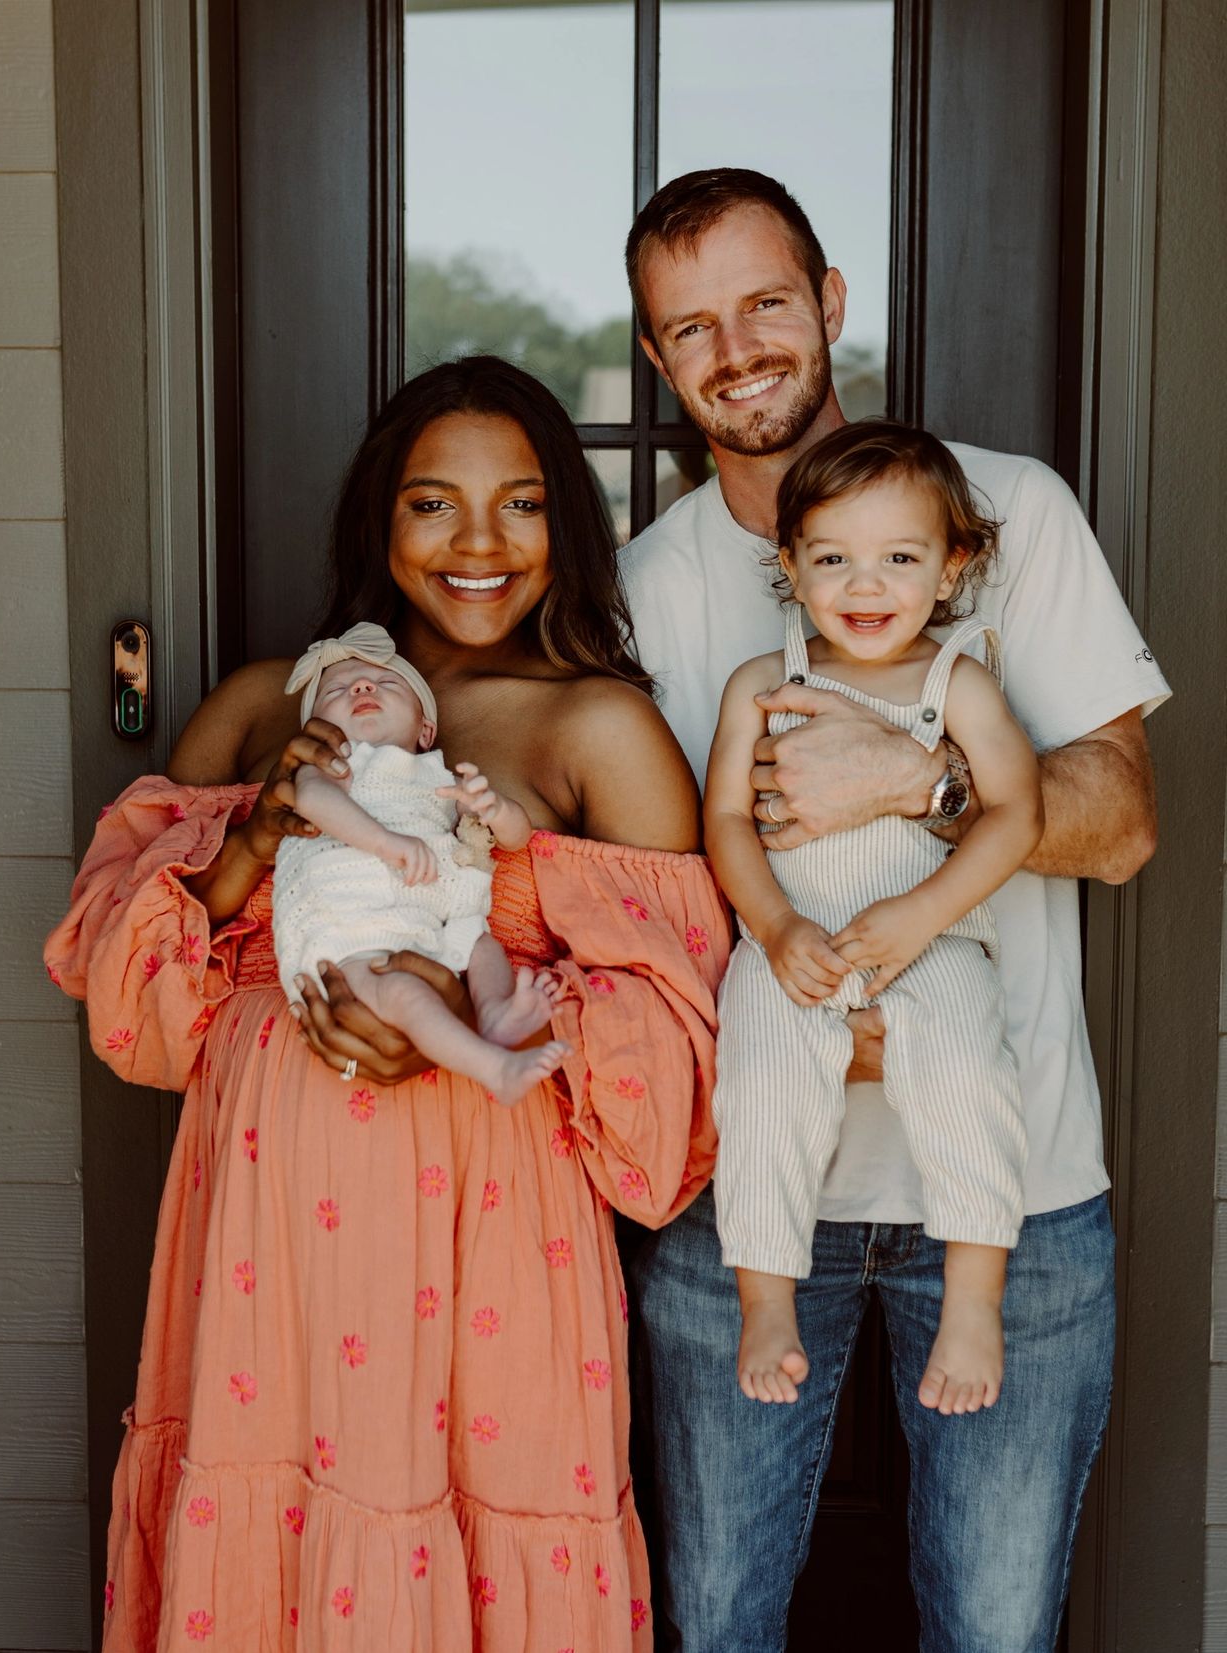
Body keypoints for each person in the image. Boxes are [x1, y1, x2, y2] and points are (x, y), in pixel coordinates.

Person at [45, 355, 730, 1652]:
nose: (480, 544)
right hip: (269, 1236)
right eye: (434, 504)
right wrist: (253, 840)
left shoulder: (599, 731)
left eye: (522, 504)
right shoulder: (266, 706)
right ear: (379, 518)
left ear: (565, 527)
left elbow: (675, 1066)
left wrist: (472, 1004)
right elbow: (133, 1010)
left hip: (489, 1223)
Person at [618, 168, 1169, 1650]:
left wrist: (910, 782)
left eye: (765, 304)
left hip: (1015, 1181)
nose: (736, 349)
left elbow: (1123, 824)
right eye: (691, 329)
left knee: (992, 1631)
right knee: (717, 1617)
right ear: (661, 363)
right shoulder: (647, 591)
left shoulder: (1007, 516)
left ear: (831, 304)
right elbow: (645, 881)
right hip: (740, 1190)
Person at [706, 420, 1041, 1415]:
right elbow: (724, 821)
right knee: (762, 1074)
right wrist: (771, 928)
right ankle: (766, 1295)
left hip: (927, 938)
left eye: (899, 558)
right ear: (791, 568)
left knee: (964, 1071)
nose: (865, 585)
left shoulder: (958, 685)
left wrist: (920, 914)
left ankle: (972, 1298)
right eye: (833, 559)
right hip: (793, 937)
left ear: (951, 569)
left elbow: (1016, 812)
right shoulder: (763, 687)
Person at [273, 623, 569, 1107]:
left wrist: (495, 809)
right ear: (318, 732)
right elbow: (312, 800)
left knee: (482, 945)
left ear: (425, 730)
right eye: (336, 690)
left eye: (385, 683)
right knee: (406, 995)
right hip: (351, 932)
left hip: (424, 915)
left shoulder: (439, 778)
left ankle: (493, 1012)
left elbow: (517, 838)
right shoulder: (332, 767)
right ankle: (494, 1068)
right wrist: (384, 841)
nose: (363, 688)